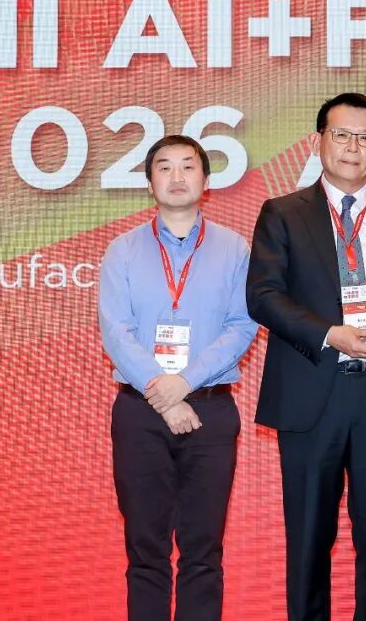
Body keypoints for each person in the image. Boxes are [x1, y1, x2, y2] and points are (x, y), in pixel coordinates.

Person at [247, 93, 366, 621]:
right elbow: (263, 295)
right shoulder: (283, 213)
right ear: (318, 141)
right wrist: (331, 334)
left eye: (365, 137)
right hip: (313, 391)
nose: (353, 147)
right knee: (309, 536)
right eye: (342, 135)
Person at [98, 134, 257, 621]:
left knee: (203, 550)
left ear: (206, 181)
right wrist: (165, 396)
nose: (177, 176)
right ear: (150, 183)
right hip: (139, 413)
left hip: (210, 410)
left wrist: (183, 383)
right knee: (145, 549)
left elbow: (241, 326)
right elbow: (116, 332)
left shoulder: (235, 248)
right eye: (164, 167)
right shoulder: (123, 250)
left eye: (188, 166)